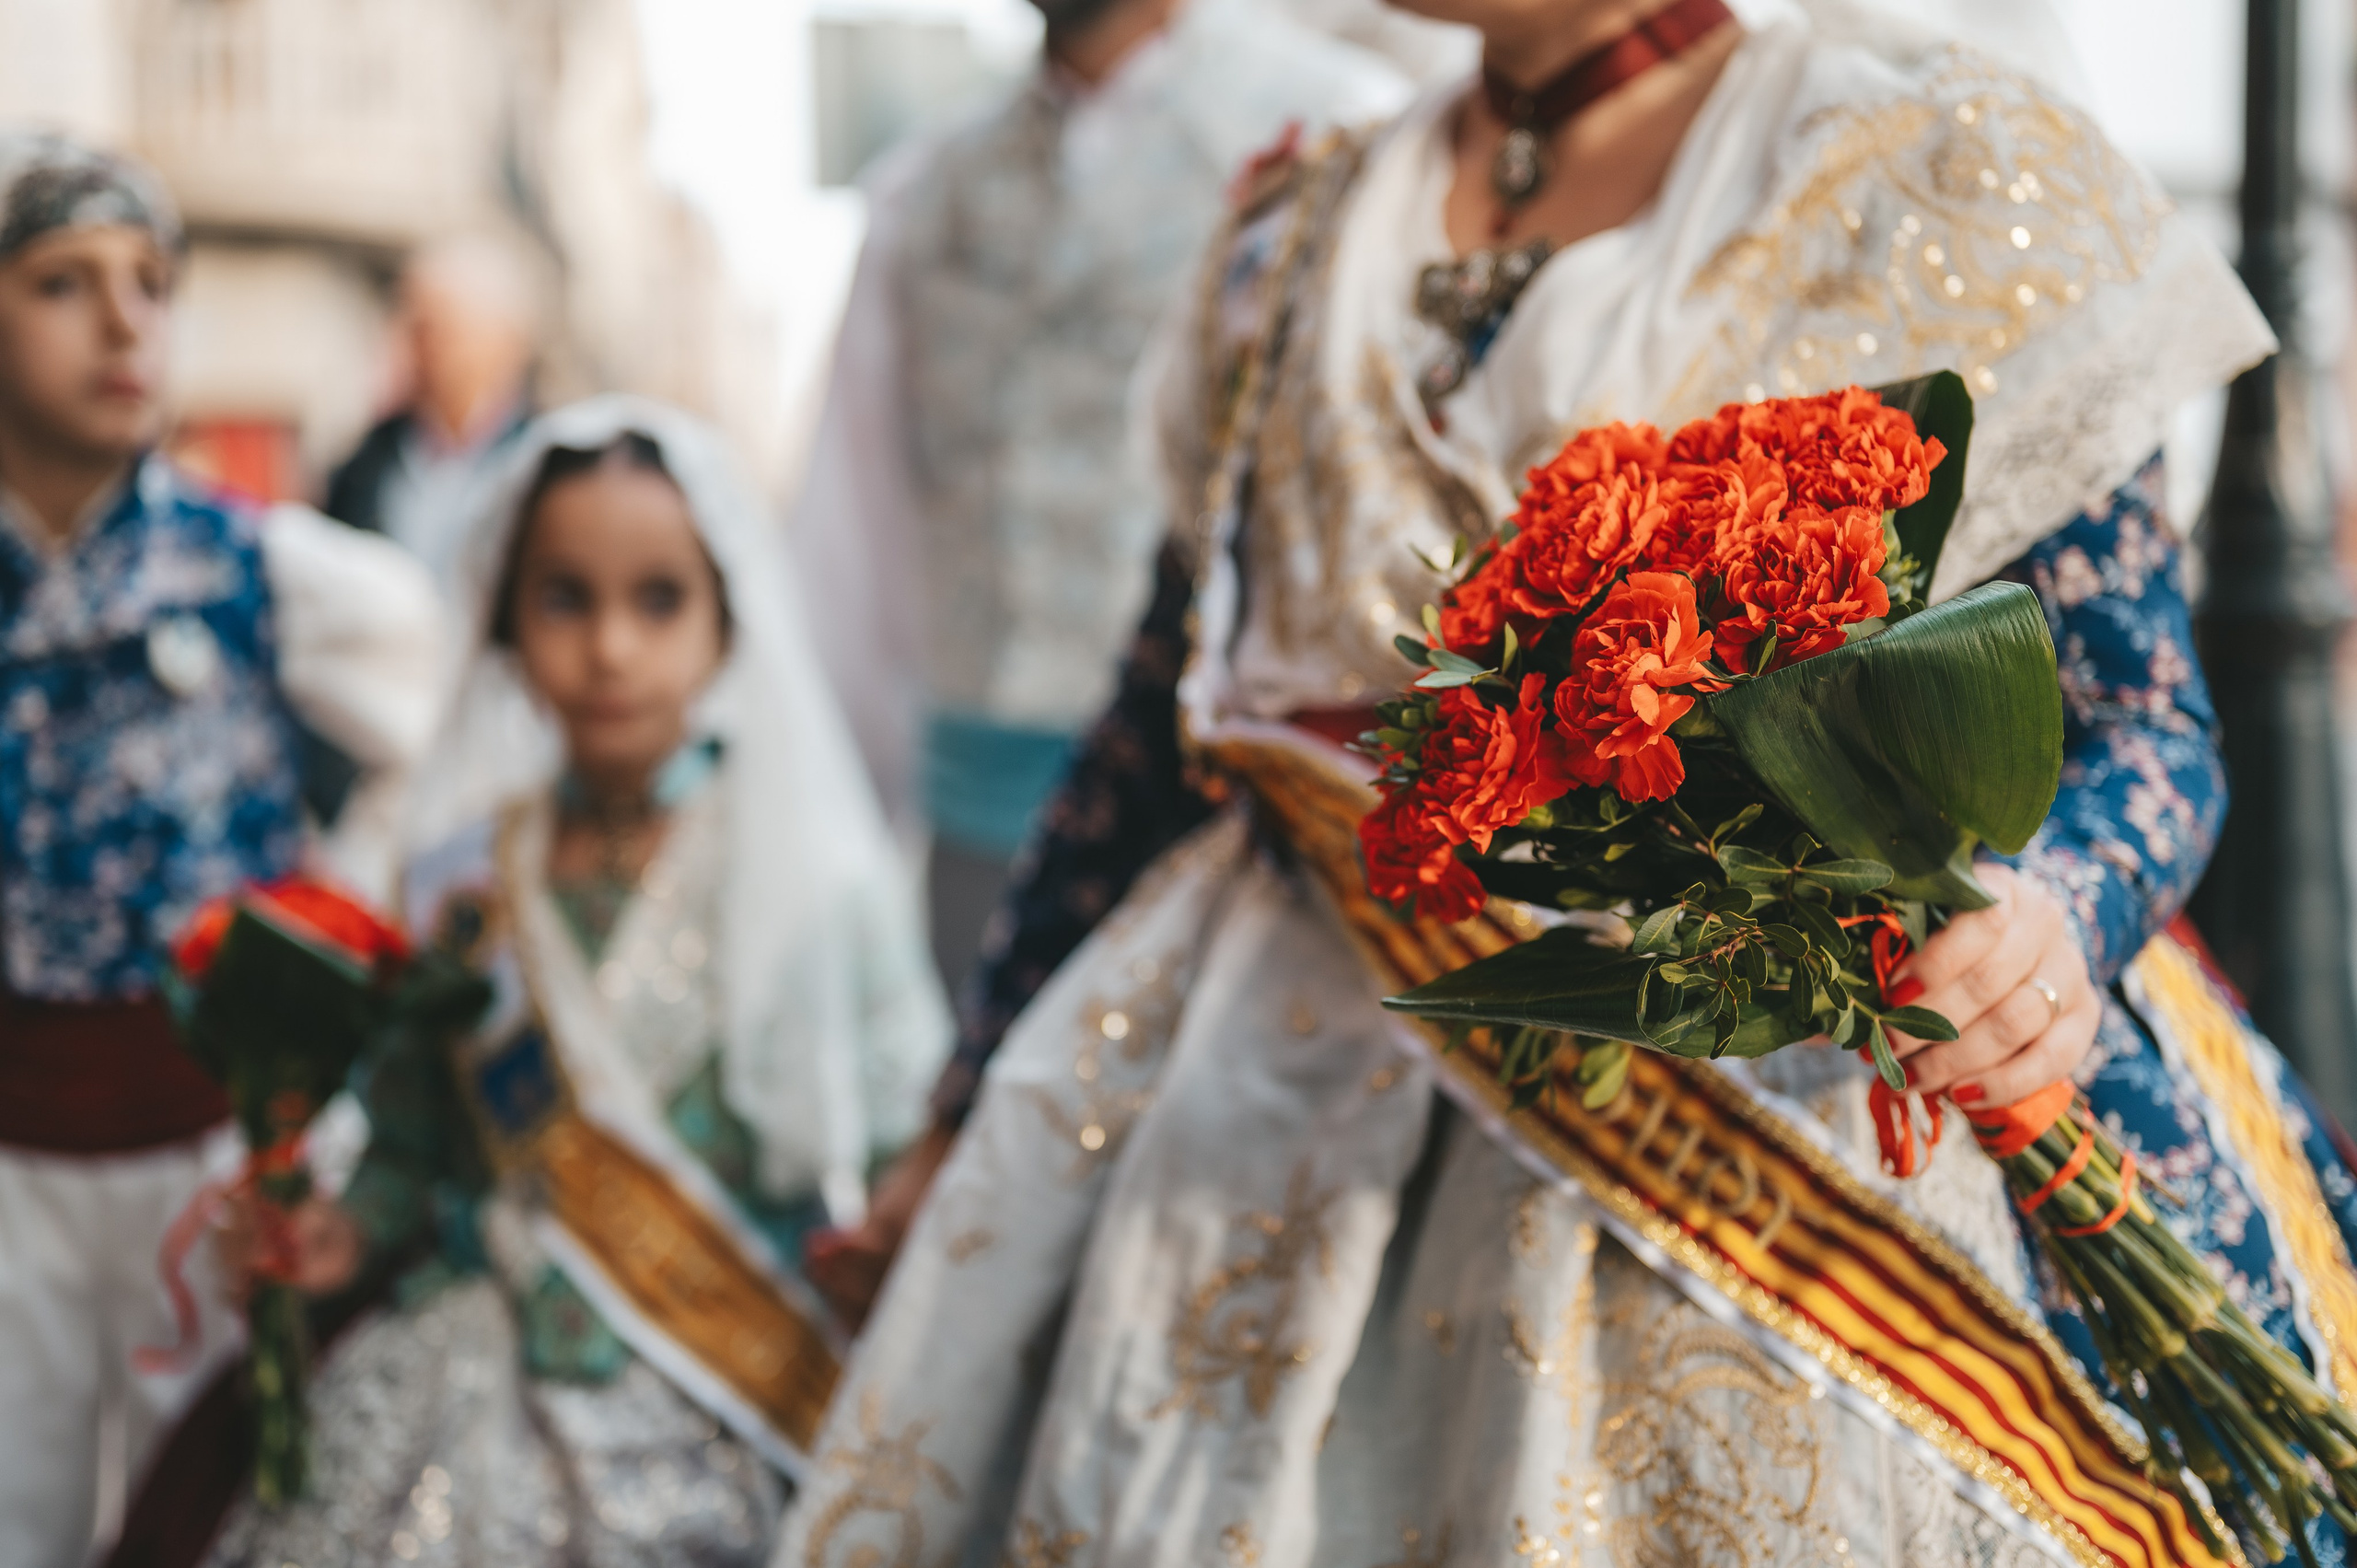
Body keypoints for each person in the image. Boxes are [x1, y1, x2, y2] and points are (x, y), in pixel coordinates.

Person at [774, 1, 2357, 1564]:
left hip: (1788, 1138)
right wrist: (963, 1106)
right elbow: (1156, 728)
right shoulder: (1291, 230)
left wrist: (2043, 919)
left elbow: (2137, 716)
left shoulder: (1937, 163)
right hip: (1253, 1107)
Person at [203, 397, 950, 1568]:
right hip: (470, 1366)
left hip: (719, 1381)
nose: (609, 646)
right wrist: (337, 1231)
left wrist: (879, 1248)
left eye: (658, 599)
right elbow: (411, 1142)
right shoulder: (462, 885)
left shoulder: (809, 880)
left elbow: (902, 1143)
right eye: (564, 598)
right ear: (504, 619)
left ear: (727, 620)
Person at [0, 133, 439, 1568]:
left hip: (203, 1148)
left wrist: (333, 920)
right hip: (12, 1159)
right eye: (62, 282)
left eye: (151, 282)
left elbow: (447, 726)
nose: (123, 322)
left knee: (200, 1504)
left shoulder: (255, 566)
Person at [787, 0, 1411, 1001]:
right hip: (976, 817)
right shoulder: (926, 188)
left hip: (1230, 824)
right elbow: (855, 528)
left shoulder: (1348, 132)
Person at [322, 232, 538, 592]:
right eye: (414, 328)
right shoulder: (363, 466)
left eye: (443, 329)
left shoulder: (541, 462)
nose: (422, 348)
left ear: (505, 341)